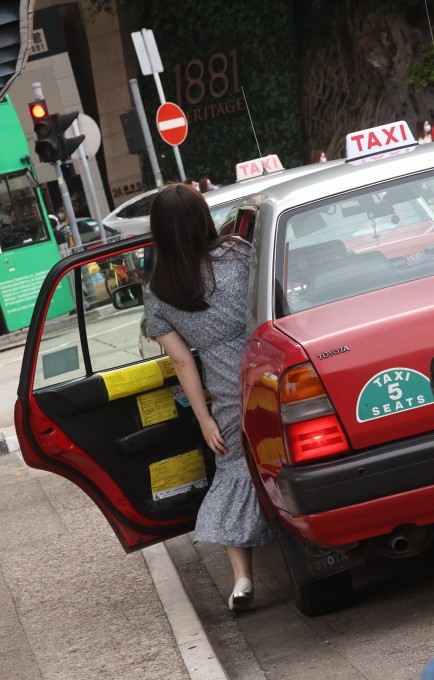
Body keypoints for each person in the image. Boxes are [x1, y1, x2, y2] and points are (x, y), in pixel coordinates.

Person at [142, 184, 274, 613]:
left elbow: (183, 363)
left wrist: (204, 419)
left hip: (227, 392)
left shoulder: (158, 291)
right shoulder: (237, 252)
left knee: (235, 467)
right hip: (272, 365)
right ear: (202, 218)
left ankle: (241, 579)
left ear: (159, 232)